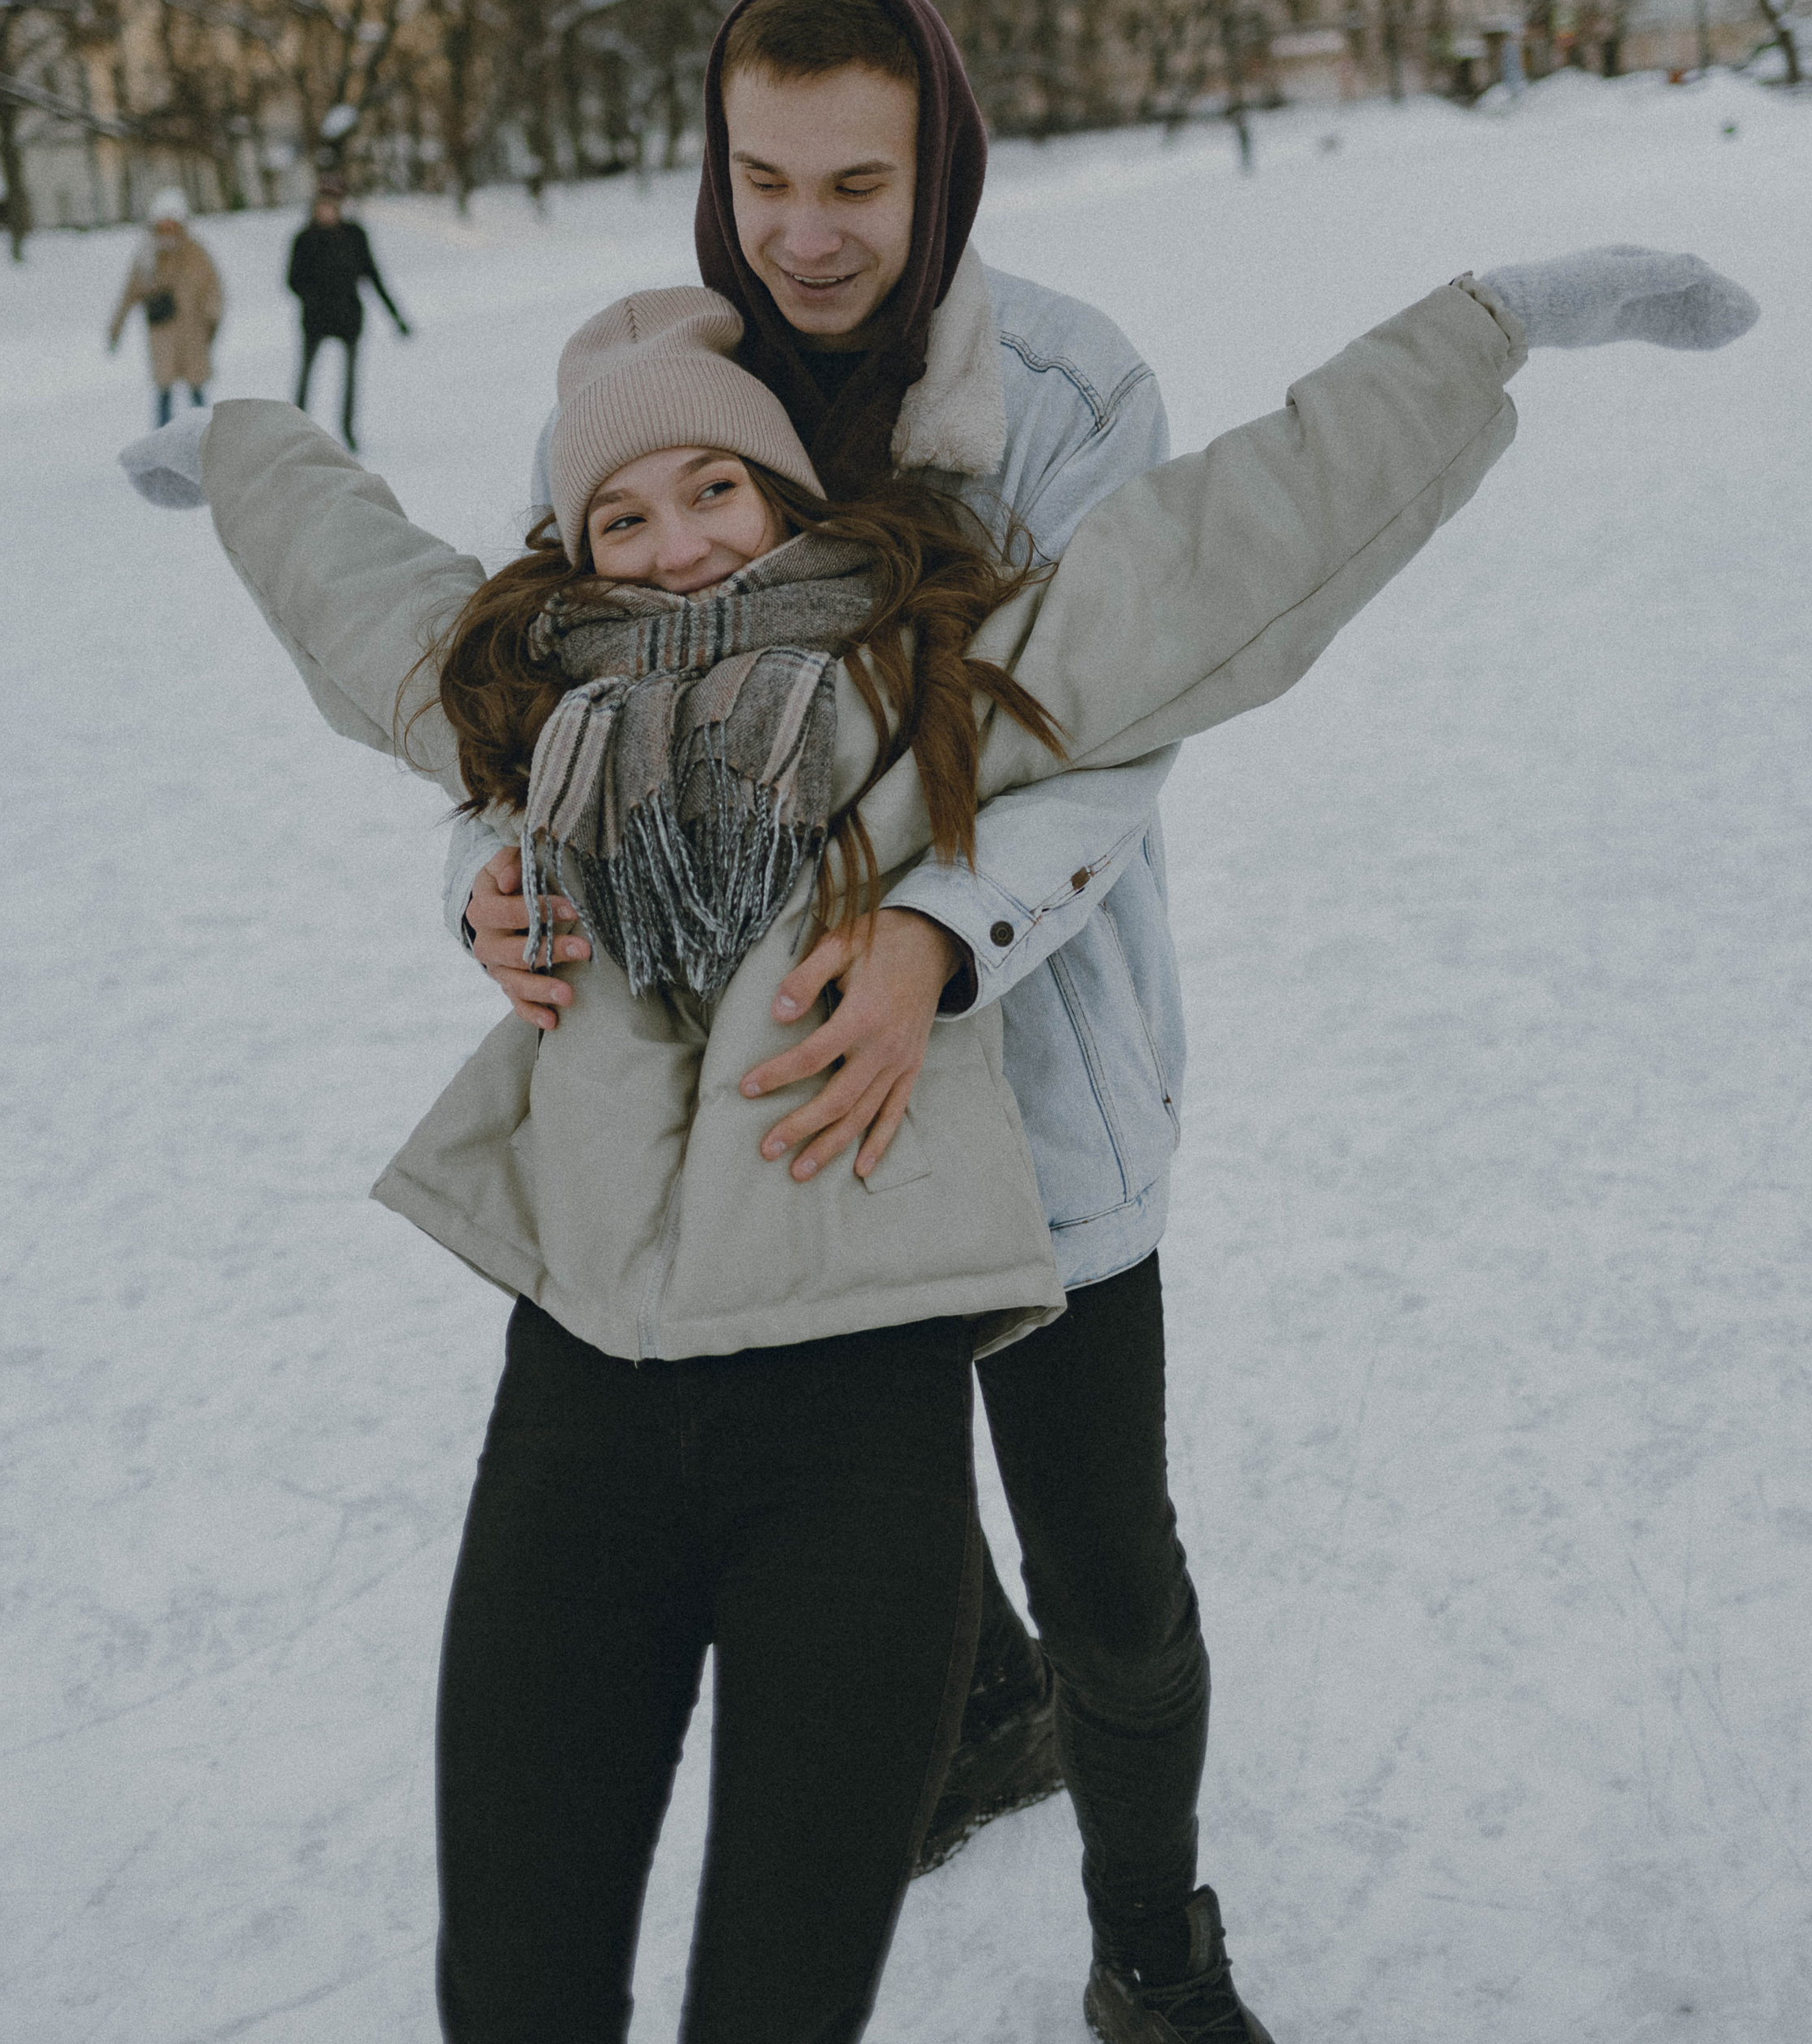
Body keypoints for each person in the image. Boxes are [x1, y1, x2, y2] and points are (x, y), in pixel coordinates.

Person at [121, 243, 1751, 2044]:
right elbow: (360, 587)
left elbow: (1236, 541)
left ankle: (1148, 1945)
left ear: (790, 491)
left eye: (716, 487)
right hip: (585, 1379)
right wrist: (248, 452)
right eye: (623, 516)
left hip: (847, 1399)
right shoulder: (533, 719)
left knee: (838, 1918)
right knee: (511, 1989)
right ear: (569, 553)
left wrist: (1498, 323)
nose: (676, 547)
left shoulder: (929, 685)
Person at [287, 177, 410, 450]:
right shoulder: (305, 239)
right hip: (315, 320)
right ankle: (297, 432)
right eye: (322, 207)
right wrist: (314, 298)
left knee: (350, 380)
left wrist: (395, 315)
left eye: (332, 206)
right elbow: (293, 280)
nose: (327, 212)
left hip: (349, 318)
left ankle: (348, 430)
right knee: (306, 377)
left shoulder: (354, 235)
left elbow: (373, 276)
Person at [107, 188, 221, 426]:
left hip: (192, 335)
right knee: (164, 393)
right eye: (162, 226)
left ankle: (206, 439)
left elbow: (214, 287)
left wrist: (213, 316)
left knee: (197, 391)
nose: (167, 231)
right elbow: (128, 295)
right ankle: (162, 443)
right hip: (163, 336)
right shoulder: (147, 258)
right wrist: (115, 329)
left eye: (171, 225)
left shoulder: (195, 253)